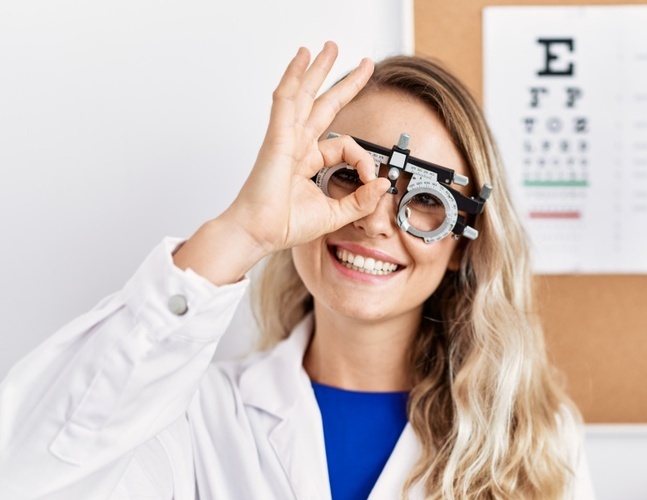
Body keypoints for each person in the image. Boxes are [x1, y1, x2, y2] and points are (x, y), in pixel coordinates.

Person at [0, 42, 593, 499]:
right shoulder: (192, 415)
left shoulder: (538, 439)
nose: (374, 221)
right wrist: (242, 233)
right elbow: (30, 476)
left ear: (462, 244)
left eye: (425, 201)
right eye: (347, 175)